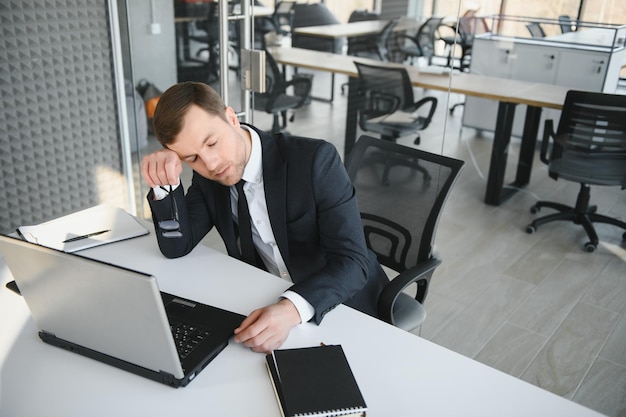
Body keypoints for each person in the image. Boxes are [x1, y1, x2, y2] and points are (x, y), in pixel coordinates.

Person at [141, 81, 387, 354]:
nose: (210, 164)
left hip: (341, 304)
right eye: (191, 158)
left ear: (232, 118)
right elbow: (177, 246)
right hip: (264, 300)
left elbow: (353, 263)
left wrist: (290, 309)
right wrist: (163, 184)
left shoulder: (315, 160)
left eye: (212, 143)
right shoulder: (207, 178)